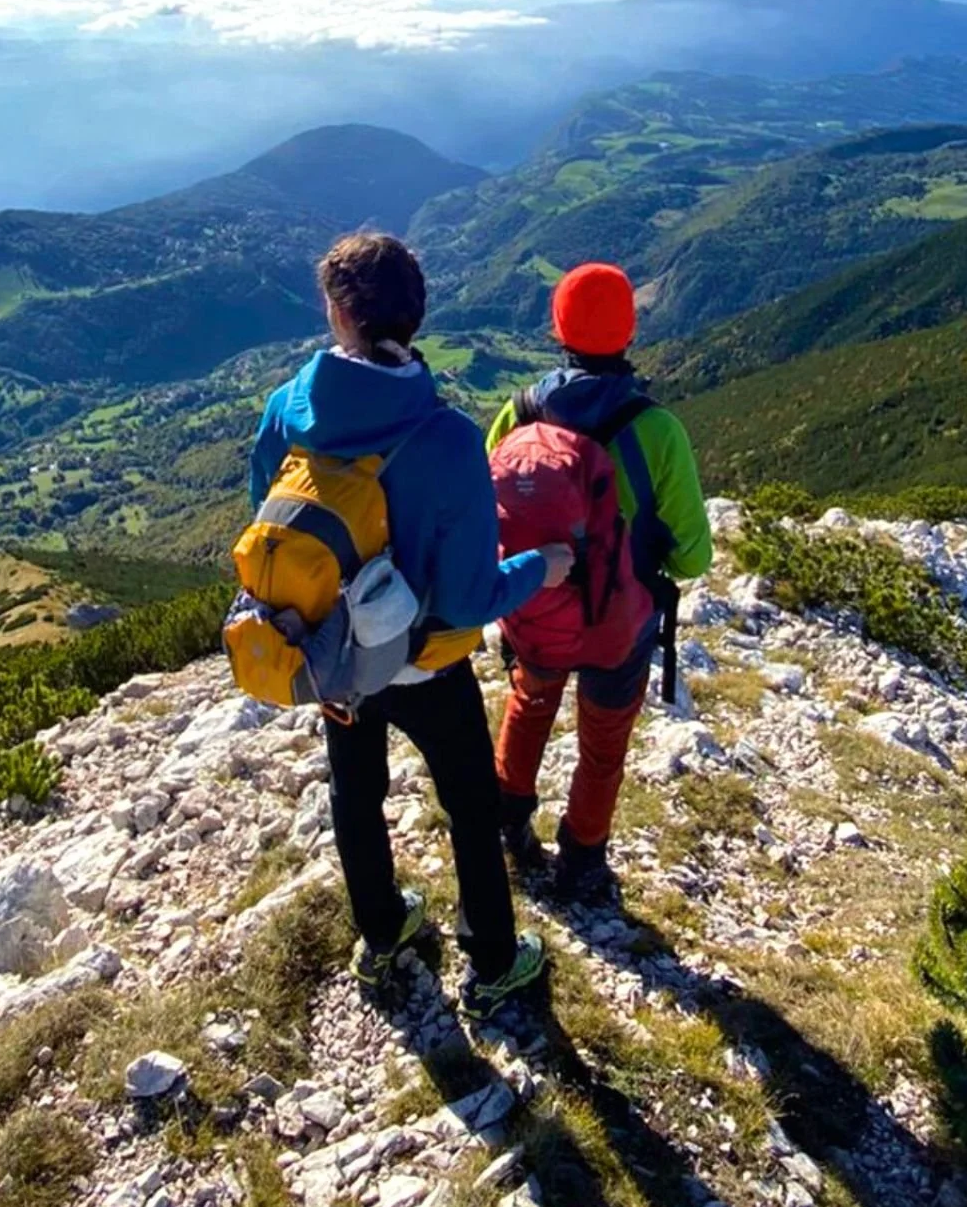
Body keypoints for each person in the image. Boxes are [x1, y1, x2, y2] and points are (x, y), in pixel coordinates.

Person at [249, 232, 567, 1019]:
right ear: (416, 320)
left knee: (356, 796)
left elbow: (270, 522)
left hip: (334, 657)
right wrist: (543, 568)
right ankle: (493, 960)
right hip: (428, 666)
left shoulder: (286, 410)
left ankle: (383, 930)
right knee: (467, 802)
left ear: (339, 313)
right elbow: (465, 599)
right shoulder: (450, 439)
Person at [485, 262, 713, 900]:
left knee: (529, 706)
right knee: (603, 743)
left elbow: (490, 509)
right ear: (629, 333)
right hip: (619, 627)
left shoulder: (518, 412)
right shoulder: (657, 429)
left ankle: (508, 826)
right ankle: (582, 860)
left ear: (558, 327)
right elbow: (694, 557)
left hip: (535, 609)